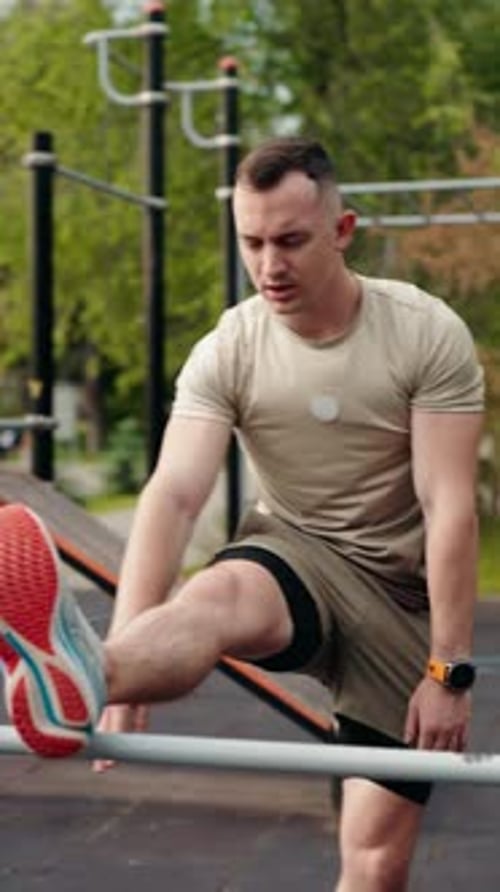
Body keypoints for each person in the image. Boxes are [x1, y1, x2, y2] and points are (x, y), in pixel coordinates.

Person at [0, 136, 484, 891]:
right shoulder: (231, 345)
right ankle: (83, 673)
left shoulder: (423, 333)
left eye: (291, 241)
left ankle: (89, 671)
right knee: (217, 596)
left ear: (343, 230)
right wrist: (121, 662)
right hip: (293, 552)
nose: (270, 266)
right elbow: (174, 494)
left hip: (399, 600)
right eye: (253, 243)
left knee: (376, 864)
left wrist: (448, 673)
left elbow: (446, 504)